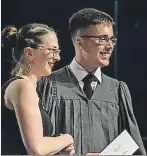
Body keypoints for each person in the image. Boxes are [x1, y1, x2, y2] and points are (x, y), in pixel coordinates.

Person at [37, 8, 146, 155]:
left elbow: (135, 151)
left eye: (112, 39)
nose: (110, 46)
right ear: (80, 42)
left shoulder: (118, 90)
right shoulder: (48, 85)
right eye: (102, 39)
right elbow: (34, 145)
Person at [1, 24, 75, 155]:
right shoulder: (22, 87)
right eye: (52, 50)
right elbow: (36, 149)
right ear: (29, 53)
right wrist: (66, 138)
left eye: (57, 51)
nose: (57, 57)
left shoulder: (26, 87)